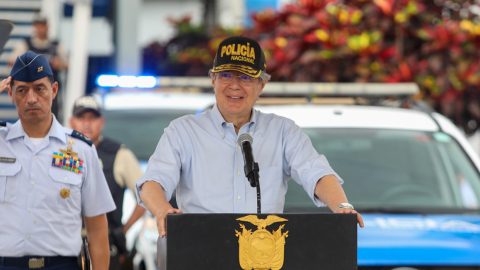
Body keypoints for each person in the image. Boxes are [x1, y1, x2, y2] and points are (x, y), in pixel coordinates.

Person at [135, 36, 364, 239]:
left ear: (261, 85)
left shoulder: (283, 131)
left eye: (245, 78)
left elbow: (316, 172)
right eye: (225, 76)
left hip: (265, 253)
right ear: (213, 80)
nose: (234, 86)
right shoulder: (182, 132)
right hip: (200, 251)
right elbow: (152, 182)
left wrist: (342, 207)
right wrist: (163, 209)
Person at [0, 51, 115, 270]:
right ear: (10, 94)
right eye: (22, 90)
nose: (31, 99)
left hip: (61, 265)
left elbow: (97, 229)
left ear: (53, 90)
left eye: (39, 89)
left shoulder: (81, 150)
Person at [69, 96, 146, 270]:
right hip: (67, 242)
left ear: (101, 122)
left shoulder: (118, 154)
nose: (87, 123)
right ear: (71, 121)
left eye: (92, 118)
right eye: (81, 118)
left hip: (105, 243)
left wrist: (123, 231)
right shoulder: (61, 152)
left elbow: (145, 196)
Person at [8, 13, 68, 119]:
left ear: (47, 27)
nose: (41, 28)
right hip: (30, 86)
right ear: (34, 27)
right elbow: (12, 62)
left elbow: (67, 64)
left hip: (48, 89)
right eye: (38, 25)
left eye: (43, 25)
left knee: (51, 114)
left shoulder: (56, 45)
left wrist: (59, 64)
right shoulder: (26, 44)